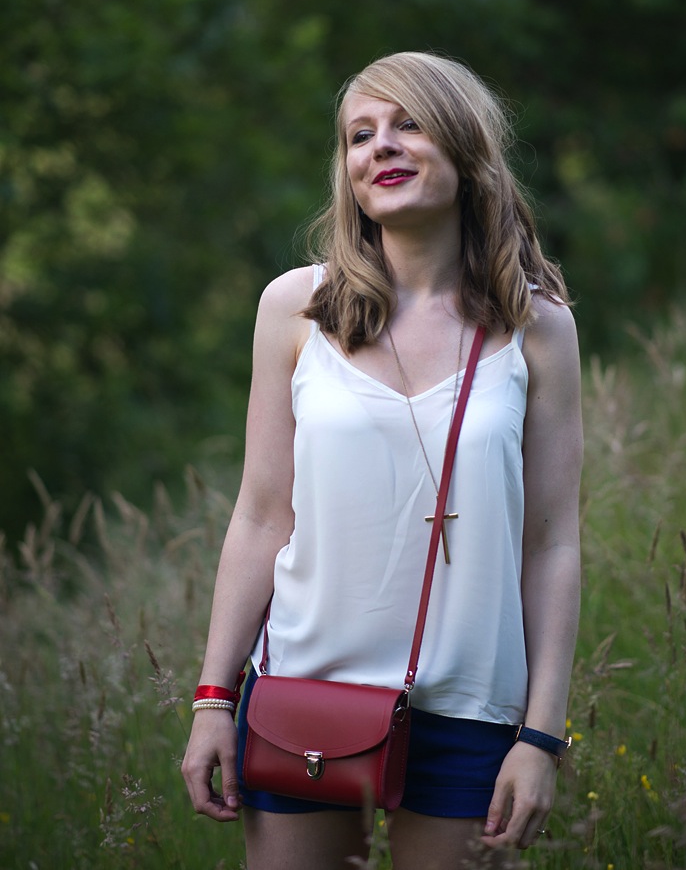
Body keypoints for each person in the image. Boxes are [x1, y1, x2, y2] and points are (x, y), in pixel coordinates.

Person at [181, 51, 583, 870]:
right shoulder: (296, 307)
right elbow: (262, 514)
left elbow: (551, 544)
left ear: (466, 150)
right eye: (359, 134)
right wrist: (213, 698)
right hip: (302, 696)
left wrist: (540, 735)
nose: (380, 146)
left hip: (472, 714)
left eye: (408, 123)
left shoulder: (536, 326)